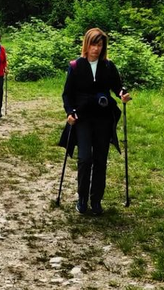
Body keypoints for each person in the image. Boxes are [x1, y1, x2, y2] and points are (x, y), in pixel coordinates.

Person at [61, 28, 131, 216]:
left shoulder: (108, 66)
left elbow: (117, 87)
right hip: (83, 117)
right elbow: (67, 94)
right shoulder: (76, 66)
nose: (96, 49)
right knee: (85, 158)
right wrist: (70, 112)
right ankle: (82, 198)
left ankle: (96, 200)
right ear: (87, 44)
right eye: (93, 44)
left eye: (100, 45)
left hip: (103, 118)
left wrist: (122, 95)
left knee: (100, 160)